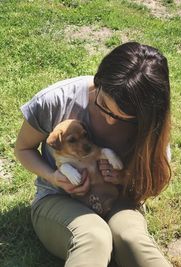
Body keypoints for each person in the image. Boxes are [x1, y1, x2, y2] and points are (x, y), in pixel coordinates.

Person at [14, 41, 172, 267]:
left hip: (119, 199)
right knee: (94, 237)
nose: (109, 119)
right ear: (99, 81)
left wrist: (125, 178)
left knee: (132, 239)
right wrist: (53, 176)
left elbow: (154, 179)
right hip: (59, 199)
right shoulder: (56, 100)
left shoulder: (150, 123)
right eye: (104, 106)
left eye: (122, 118)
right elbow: (22, 149)